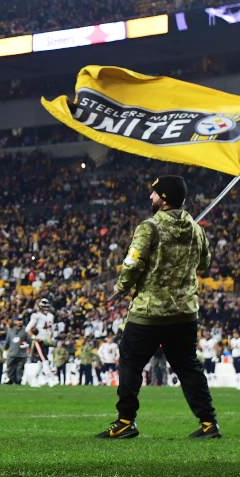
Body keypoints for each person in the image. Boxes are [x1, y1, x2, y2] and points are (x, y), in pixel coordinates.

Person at [99, 175, 219, 439]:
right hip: (185, 313)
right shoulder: (196, 229)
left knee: (130, 363)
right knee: (189, 367)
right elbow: (204, 265)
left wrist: (120, 287)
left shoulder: (148, 227)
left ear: (164, 199)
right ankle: (209, 423)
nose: (150, 197)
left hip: (148, 314)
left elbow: (133, 262)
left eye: (153, 193)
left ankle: (126, 421)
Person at [4, 320, 31, 385]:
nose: (20, 322)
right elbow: (7, 341)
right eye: (18, 320)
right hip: (12, 352)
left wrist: (28, 348)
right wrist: (5, 349)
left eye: (21, 320)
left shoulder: (26, 331)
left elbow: (29, 341)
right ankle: (10, 379)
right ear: (15, 322)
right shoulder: (10, 331)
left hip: (22, 353)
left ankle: (18, 380)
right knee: (10, 367)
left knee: (20, 368)